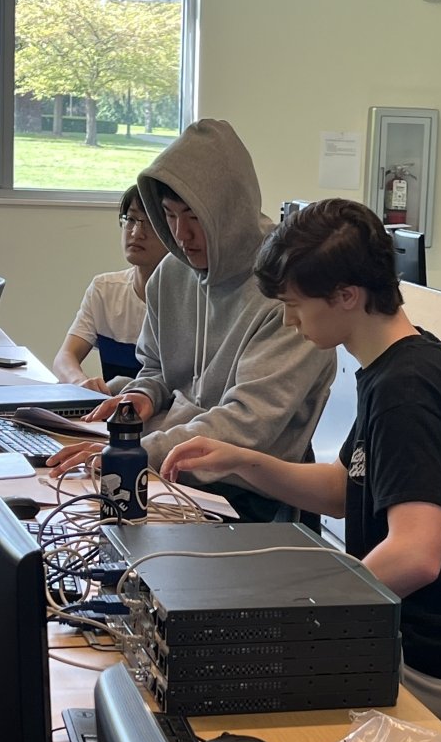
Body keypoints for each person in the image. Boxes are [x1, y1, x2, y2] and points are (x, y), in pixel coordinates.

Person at [160, 198, 441, 720]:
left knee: (222, 668)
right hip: (412, 637)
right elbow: (344, 489)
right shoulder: (407, 360)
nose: (288, 320)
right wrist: (242, 460)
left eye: (296, 304)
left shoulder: (405, 390)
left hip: (431, 661)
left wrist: (313, 610)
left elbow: (416, 554)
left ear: (347, 296)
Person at [47, 119, 336, 522]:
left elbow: (247, 422)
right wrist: (143, 397)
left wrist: (140, 454)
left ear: (230, 211)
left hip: (248, 496)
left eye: (195, 217)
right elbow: (156, 367)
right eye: (168, 215)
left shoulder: (286, 291)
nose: (181, 234)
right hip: (172, 471)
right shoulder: (171, 272)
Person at [52, 185, 167, 394]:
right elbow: (64, 357)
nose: (136, 232)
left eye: (150, 223)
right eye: (131, 219)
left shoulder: (190, 302)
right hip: (113, 418)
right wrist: (80, 383)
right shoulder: (104, 290)